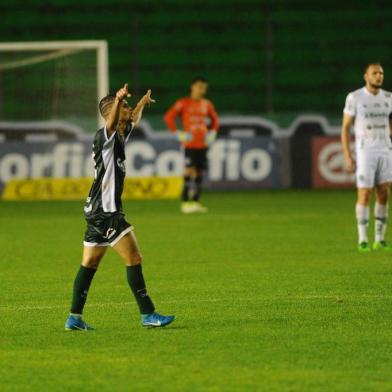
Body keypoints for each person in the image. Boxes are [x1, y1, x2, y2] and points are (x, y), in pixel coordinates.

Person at [65, 84, 175, 330]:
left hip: (95, 210)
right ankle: (148, 314)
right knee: (134, 257)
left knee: (89, 263)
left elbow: (132, 118)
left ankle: (74, 318)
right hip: (107, 211)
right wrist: (118, 99)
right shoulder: (104, 135)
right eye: (124, 107)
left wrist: (141, 104)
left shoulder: (120, 135)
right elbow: (115, 119)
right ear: (110, 112)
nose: (128, 109)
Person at [341, 63, 392, 252]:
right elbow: (346, 127)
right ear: (366, 76)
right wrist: (347, 154)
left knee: (384, 193)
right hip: (365, 152)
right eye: (375, 73)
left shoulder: (389, 98)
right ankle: (363, 239)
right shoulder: (355, 97)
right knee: (364, 194)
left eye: (381, 73)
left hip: (385, 150)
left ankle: (379, 239)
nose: (379, 76)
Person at [164, 77, 219, 214]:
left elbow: (215, 120)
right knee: (189, 170)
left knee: (199, 171)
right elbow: (169, 117)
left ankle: (195, 201)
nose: (202, 90)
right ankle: (185, 202)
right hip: (190, 143)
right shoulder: (183, 103)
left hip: (203, 143)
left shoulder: (206, 104)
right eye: (199, 86)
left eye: (204, 87)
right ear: (192, 87)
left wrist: (212, 132)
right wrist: (177, 133)